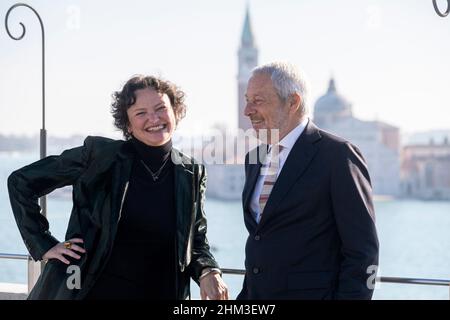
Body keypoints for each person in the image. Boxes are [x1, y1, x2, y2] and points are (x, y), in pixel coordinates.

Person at [8, 75, 228, 300]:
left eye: (161, 108)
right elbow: (21, 182)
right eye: (140, 113)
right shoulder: (99, 156)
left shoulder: (191, 172)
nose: (153, 118)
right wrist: (43, 243)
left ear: (175, 112)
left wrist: (209, 271)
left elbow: (196, 240)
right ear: (128, 124)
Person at [237, 62, 379, 300]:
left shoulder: (338, 155)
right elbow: (261, 239)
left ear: (293, 102)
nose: (247, 110)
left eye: (258, 101)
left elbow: (363, 252)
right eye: (247, 99)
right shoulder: (254, 158)